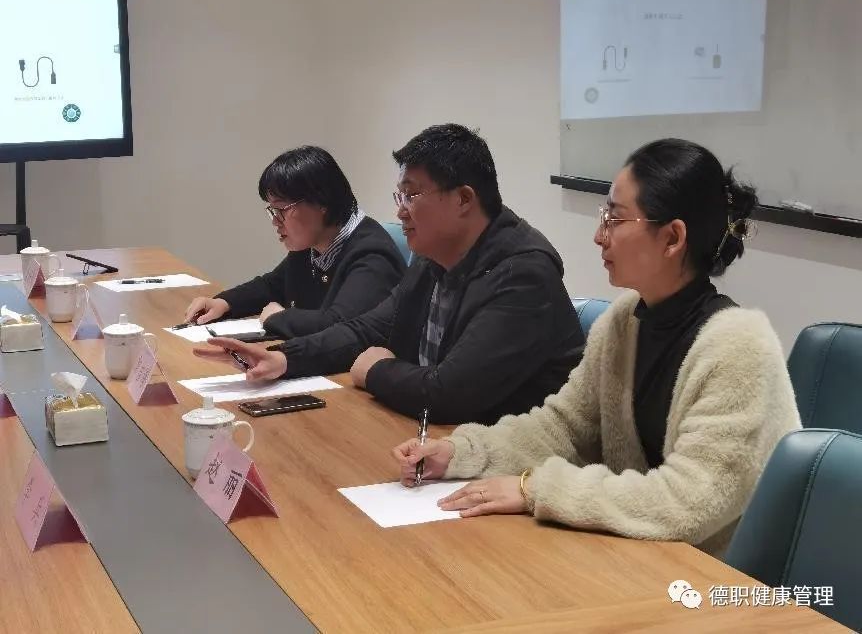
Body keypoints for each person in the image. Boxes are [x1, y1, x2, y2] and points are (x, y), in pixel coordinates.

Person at [392, 138, 802, 555]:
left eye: (614, 219)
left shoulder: (739, 348)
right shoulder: (624, 322)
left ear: (672, 238)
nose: (598, 236)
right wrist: (460, 453)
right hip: (640, 555)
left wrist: (535, 489)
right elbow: (563, 427)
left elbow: (687, 502)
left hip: (715, 576)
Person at [194, 124, 585, 425]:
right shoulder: (434, 258)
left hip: (507, 463)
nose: (400, 211)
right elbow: (366, 330)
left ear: (464, 199)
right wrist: (283, 359)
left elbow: (450, 394)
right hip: (434, 438)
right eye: (400, 196)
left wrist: (375, 370)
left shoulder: (522, 275)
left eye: (411, 195)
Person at [184, 146, 406, 338]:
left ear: (322, 202)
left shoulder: (372, 255)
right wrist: (224, 303)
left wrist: (278, 318)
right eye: (272, 211)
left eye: (281, 210)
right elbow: (273, 285)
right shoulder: (313, 242)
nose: (275, 221)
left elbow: (341, 325)